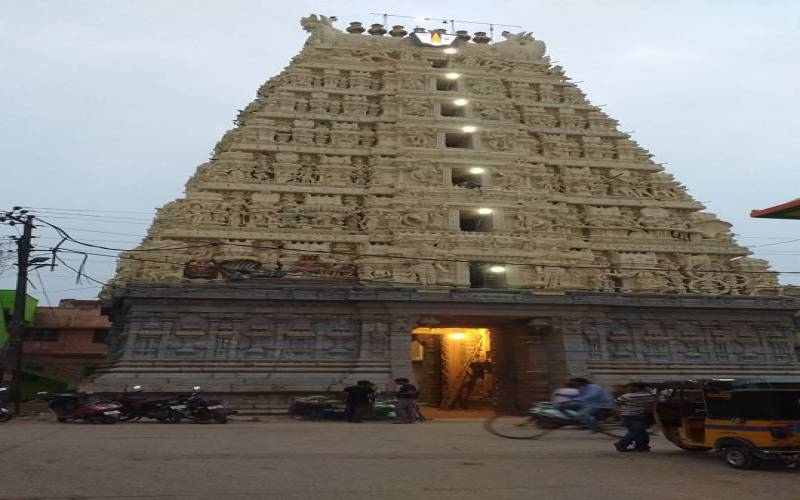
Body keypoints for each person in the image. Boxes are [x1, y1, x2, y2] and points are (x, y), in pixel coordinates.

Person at [614, 382, 655, 452]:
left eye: (631, 387)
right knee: (640, 432)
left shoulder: (627, 396)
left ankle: (622, 444)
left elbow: (616, 402)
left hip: (628, 415)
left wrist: (619, 410)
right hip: (640, 415)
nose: (629, 388)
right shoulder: (649, 396)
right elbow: (651, 403)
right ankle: (642, 446)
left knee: (635, 432)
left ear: (637, 388)